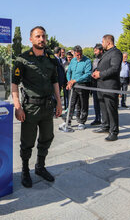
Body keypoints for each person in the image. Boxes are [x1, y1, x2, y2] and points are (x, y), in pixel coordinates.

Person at [11, 26, 62, 188]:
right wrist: (17, 106)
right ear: (31, 39)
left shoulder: (50, 58)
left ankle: (40, 166)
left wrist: (59, 103)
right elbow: (14, 84)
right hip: (30, 108)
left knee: (47, 138)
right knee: (27, 142)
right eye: (38, 36)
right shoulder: (23, 59)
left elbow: (55, 81)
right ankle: (25, 170)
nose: (41, 39)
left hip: (47, 107)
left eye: (43, 36)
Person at [92, 34, 122, 141]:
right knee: (103, 108)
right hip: (101, 85)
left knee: (111, 109)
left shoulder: (116, 53)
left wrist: (101, 74)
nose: (102, 44)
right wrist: (95, 73)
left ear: (108, 42)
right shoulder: (106, 53)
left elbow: (115, 68)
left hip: (110, 86)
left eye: (103, 42)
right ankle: (105, 126)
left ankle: (114, 132)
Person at [64, 45, 92, 130]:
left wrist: (75, 80)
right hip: (73, 86)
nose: (79, 56)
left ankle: (82, 121)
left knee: (83, 104)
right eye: (77, 55)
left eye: (80, 54)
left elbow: (87, 74)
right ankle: (68, 121)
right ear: (74, 54)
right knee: (71, 103)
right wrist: (69, 81)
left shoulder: (87, 61)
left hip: (83, 85)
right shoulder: (73, 60)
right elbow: (69, 72)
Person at [90, 44, 103, 125]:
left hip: (102, 84)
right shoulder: (94, 61)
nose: (94, 52)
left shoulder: (105, 59)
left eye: (96, 50)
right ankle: (97, 118)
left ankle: (105, 121)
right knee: (96, 103)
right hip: (95, 84)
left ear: (101, 50)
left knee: (103, 103)